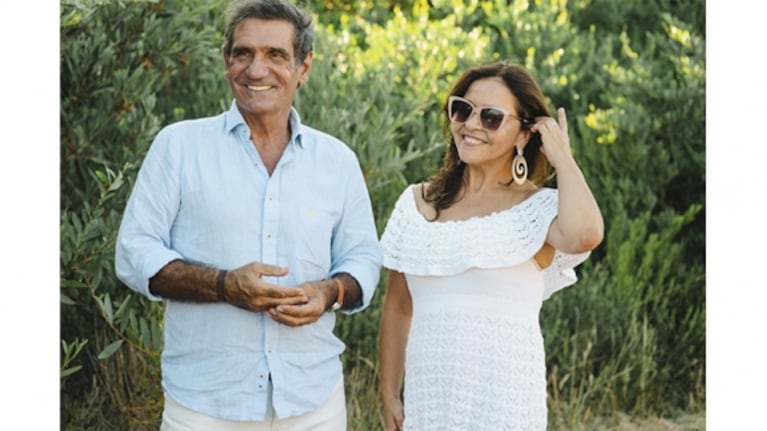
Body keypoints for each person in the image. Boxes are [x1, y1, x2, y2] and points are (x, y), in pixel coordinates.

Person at [114, 1, 382, 429]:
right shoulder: (178, 147)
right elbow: (134, 254)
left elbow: (363, 260)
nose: (257, 70)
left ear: (303, 67)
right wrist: (224, 286)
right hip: (203, 406)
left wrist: (329, 292)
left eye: (276, 55)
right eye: (244, 53)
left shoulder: (338, 161)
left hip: (313, 405)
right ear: (226, 62)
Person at [378, 61, 604, 430]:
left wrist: (562, 157)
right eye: (462, 109)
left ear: (523, 134)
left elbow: (587, 234)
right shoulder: (416, 204)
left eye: (492, 117)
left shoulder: (537, 209)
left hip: (506, 407)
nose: (470, 125)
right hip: (430, 403)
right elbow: (399, 305)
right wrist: (389, 393)